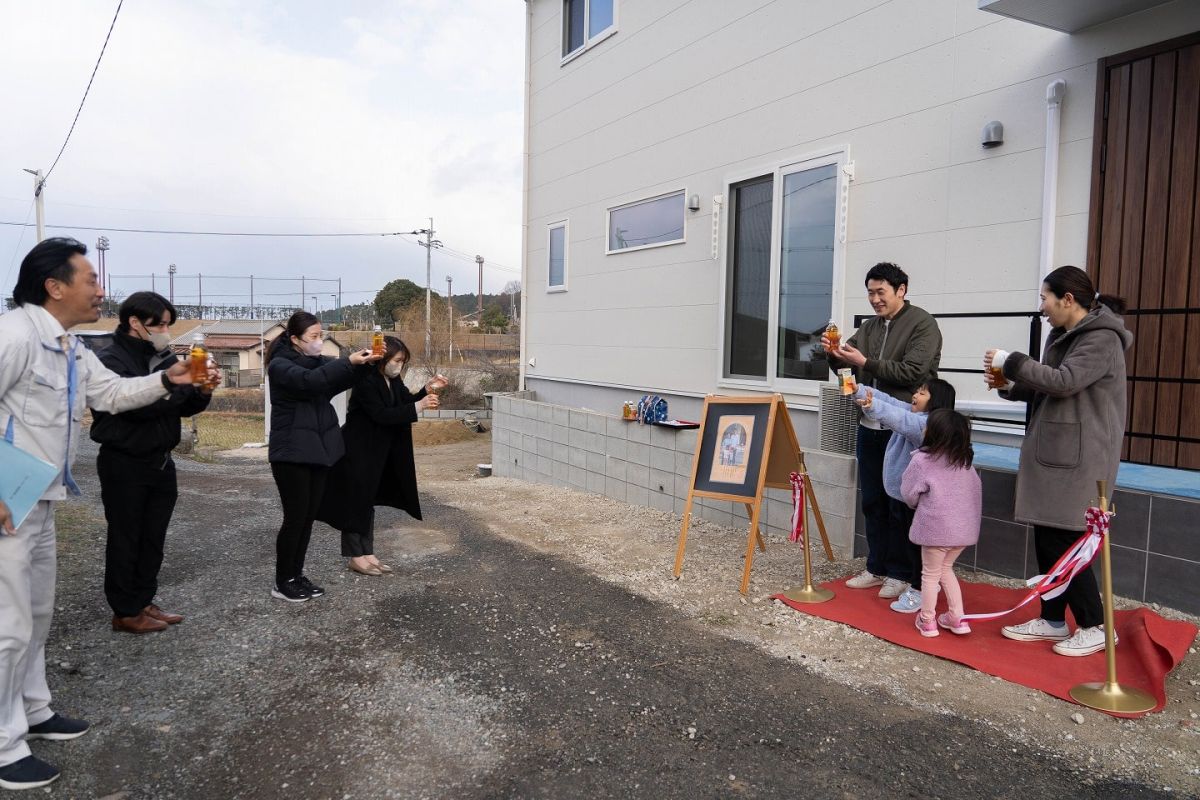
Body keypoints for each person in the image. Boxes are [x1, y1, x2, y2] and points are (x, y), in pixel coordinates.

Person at [0, 238, 197, 790]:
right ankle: (3, 745)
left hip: (40, 495)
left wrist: (166, 380)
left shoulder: (67, 346)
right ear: (54, 286)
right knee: (7, 623)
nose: (100, 289)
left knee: (36, 613)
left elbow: (110, 394)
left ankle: (34, 709)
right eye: (89, 279)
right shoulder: (13, 335)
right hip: (6, 499)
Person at [990, 266, 1131, 657]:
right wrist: (1011, 387)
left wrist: (1011, 360)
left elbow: (1066, 380)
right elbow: (1052, 385)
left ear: (1067, 300)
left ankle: (1096, 625)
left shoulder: (1102, 338)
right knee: (1048, 533)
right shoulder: (1065, 334)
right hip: (1059, 451)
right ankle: (1052, 619)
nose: (1042, 307)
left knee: (1067, 538)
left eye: (1045, 298)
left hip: (1083, 456)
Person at [89, 292, 213, 634]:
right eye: (159, 324)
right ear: (134, 323)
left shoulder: (163, 357)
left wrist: (202, 389)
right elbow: (134, 406)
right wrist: (172, 390)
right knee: (126, 536)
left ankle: (143, 600)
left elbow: (184, 406)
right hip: (124, 461)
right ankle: (124, 610)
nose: (165, 330)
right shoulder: (110, 360)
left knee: (153, 536)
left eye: (168, 324)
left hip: (161, 461)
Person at [824, 262, 942, 600]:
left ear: (901, 290)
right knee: (872, 499)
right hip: (868, 422)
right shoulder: (871, 327)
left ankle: (902, 573)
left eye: (881, 292)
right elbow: (849, 361)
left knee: (900, 504)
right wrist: (834, 354)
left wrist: (864, 362)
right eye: (870, 293)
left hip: (903, 426)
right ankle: (876, 566)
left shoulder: (923, 324)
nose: (875, 299)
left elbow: (913, 372)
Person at [267, 311, 381, 602]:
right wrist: (346, 362)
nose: (319, 342)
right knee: (295, 519)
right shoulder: (280, 366)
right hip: (291, 453)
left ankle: (297, 575)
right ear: (295, 339)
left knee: (307, 519)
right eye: (314, 337)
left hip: (318, 452)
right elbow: (311, 382)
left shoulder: (315, 364)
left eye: (321, 335)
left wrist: (365, 365)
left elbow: (333, 380)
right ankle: (283, 581)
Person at [317, 336, 446, 576]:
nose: (399, 365)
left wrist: (426, 391)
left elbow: (404, 402)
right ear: (384, 359)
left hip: (376, 451)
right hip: (356, 449)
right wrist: (419, 406)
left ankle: (368, 553)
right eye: (397, 360)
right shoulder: (366, 380)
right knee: (355, 502)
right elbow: (382, 414)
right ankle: (356, 556)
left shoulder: (392, 380)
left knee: (367, 501)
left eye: (403, 362)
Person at [854, 378, 957, 613]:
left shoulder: (927, 424)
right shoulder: (916, 414)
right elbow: (891, 402)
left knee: (916, 547)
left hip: (916, 500)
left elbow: (897, 417)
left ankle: (919, 588)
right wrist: (859, 389)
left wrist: (871, 406)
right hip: (902, 495)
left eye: (922, 392)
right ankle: (915, 584)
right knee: (908, 541)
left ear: (936, 402)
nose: (915, 395)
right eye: (917, 390)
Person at [900, 410, 981, 638]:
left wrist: (919, 504)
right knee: (946, 569)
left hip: (936, 529)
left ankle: (927, 620)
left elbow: (908, 494)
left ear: (933, 432)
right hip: (963, 530)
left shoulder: (922, 460)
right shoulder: (965, 462)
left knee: (930, 574)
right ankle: (957, 617)